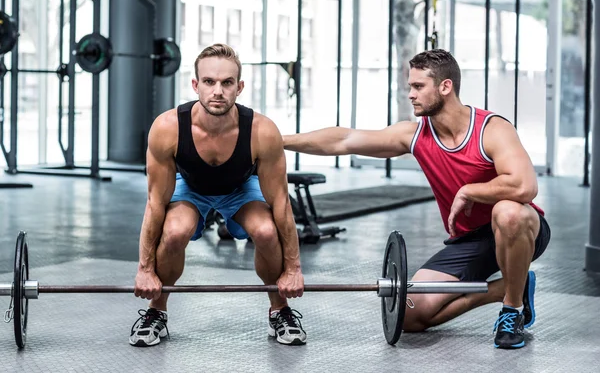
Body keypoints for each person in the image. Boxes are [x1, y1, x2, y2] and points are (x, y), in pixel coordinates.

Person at [282, 49, 551, 349]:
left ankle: (512, 309)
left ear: (445, 87)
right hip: (470, 240)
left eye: (418, 86)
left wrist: (469, 191)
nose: (410, 94)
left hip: (521, 228)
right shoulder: (415, 135)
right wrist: (279, 141)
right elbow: (344, 140)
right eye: (410, 86)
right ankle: (510, 287)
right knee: (408, 315)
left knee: (507, 212)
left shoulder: (491, 129)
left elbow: (525, 186)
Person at [129, 44, 307, 347]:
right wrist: (144, 270)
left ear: (239, 87)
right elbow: (155, 202)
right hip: (191, 188)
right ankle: (156, 312)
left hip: (240, 188)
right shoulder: (168, 127)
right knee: (174, 232)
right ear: (196, 85)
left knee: (265, 231)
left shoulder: (262, 131)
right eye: (209, 82)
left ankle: (280, 310)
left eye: (227, 83)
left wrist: (294, 269)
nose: (218, 91)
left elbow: (280, 203)